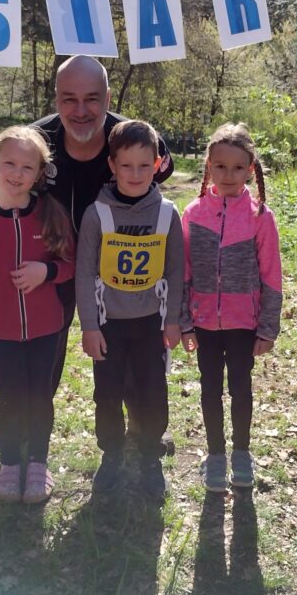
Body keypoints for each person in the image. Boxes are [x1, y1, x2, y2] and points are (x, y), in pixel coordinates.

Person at [32, 56, 177, 453]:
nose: (80, 110)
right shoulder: (35, 142)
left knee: (132, 346)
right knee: (41, 348)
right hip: (54, 263)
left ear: (108, 98)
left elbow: (156, 180)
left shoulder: (131, 137)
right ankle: (24, 425)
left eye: (92, 99)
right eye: (69, 99)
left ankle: (143, 424)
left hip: (119, 264)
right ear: (56, 99)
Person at [0, 126, 74, 504]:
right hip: (0, 333)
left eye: (27, 167)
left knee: (40, 396)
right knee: (10, 398)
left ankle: (38, 462)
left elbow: (72, 263)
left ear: (39, 173)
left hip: (47, 329)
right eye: (9, 163)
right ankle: (10, 463)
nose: (17, 173)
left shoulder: (50, 214)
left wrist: (47, 271)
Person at [76, 120, 184, 498]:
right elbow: (84, 273)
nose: (135, 174)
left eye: (143, 165)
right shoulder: (97, 214)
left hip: (151, 322)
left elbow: (176, 271)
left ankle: (151, 454)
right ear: (112, 165)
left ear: (157, 164)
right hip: (109, 324)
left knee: (153, 390)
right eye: (126, 165)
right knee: (106, 392)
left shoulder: (167, 214)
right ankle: (111, 452)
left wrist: (173, 321)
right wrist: (89, 326)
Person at [180, 123, 283, 492]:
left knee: (241, 388)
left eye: (238, 168)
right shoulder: (192, 214)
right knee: (210, 389)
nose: (228, 175)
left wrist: (268, 326)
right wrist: (184, 322)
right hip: (204, 322)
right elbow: (183, 272)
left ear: (250, 169)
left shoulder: (260, 217)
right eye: (220, 166)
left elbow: (272, 274)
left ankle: (241, 454)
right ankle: (215, 455)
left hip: (244, 324)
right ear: (209, 166)